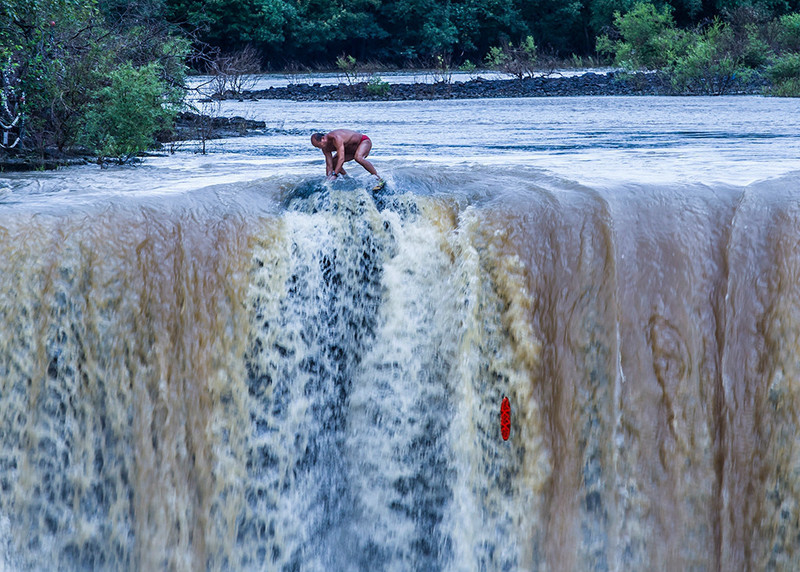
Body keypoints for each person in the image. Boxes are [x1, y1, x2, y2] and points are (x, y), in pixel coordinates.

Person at [310, 129, 384, 188]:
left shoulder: (336, 138)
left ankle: (379, 179)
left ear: (323, 138)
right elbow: (329, 165)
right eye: (317, 147)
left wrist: (335, 174)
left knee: (358, 158)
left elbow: (341, 159)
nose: (320, 148)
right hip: (350, 150)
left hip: (363, 142)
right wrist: (328, 180)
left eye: (319, 145)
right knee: (334, 162)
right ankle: (348, 180)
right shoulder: (325, 148)